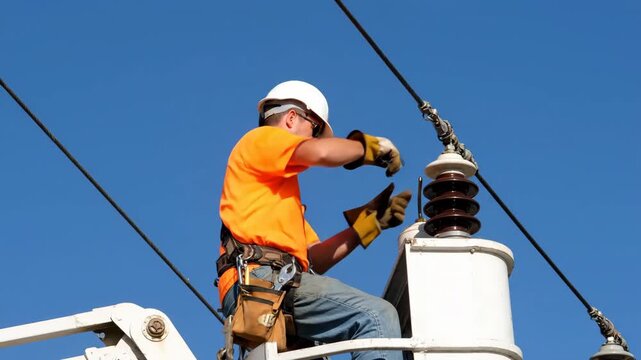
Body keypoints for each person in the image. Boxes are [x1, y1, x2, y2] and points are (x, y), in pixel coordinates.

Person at [217, 80, 411, 360]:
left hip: (275, 280)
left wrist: (370, 224)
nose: (316, 138)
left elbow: (314, 260)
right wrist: (366, 147)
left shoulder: (274, 198)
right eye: (316, 129)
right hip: (264, 279)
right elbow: (320, 153)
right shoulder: (260, 139)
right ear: (292, 118)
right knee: (376, 317)